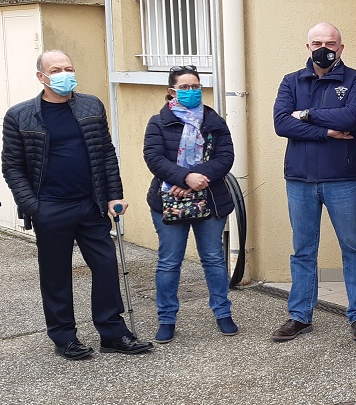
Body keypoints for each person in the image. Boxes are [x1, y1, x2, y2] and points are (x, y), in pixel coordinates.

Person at [0, 50, 152, 359]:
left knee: (107, 267)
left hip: (91, 204)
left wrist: (114, 194)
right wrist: (32, 205)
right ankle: (64, 337)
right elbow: (12, 166)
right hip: (50, 207)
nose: (64, 73)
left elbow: (105, 153)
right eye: (56, 69)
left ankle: (112, 332)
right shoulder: (19, 115)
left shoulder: (90, 106)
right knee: (56, 275)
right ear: (41, 77)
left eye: (68, 67)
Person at [272, 22, 356, 343]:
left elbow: (350, 118)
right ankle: (300, 315)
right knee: (303, 250)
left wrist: (304, 115)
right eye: (317, 42)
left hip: (343, 179)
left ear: (341, 48)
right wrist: (326, 131)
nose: (324, 48)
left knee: (353, 248)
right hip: (299, 180)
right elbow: (280, 123)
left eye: (331, 43)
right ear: (307, 47)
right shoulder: (291, 81)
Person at [142, 66, 238, 342]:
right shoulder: (158, 122)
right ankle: (167, 319)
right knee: (170, 262)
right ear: (171, 91)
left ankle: (223, 313)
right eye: (184, 87)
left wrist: (200, 177)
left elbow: (225, 157)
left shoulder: (214, 121)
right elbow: (154, 158)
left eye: (195, 86)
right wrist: (185, 178)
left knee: (213, 259)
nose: (191, 91)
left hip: (210, 199)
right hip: (168, 201)